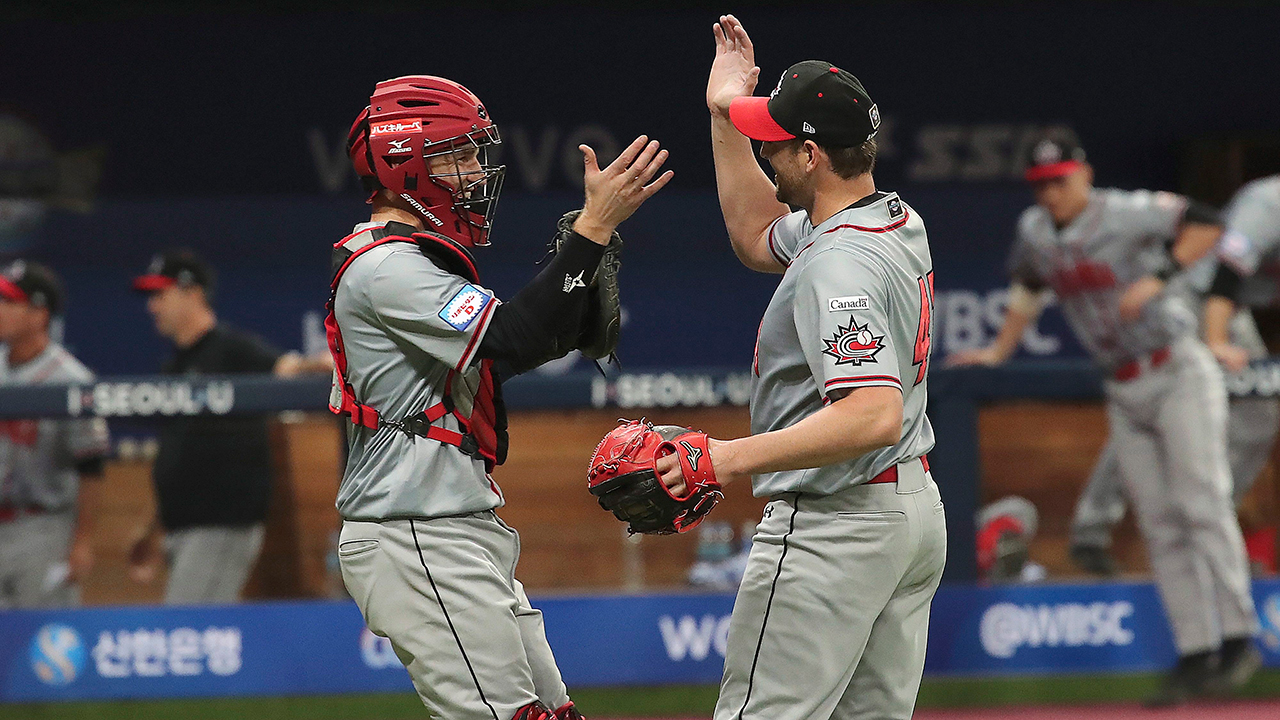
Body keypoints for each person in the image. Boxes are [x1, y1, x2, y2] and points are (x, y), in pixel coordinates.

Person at [330, 75, 670, 720]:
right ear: (403, 161)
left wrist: (583, 268)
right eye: (453, 156)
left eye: (472, 154)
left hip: (450, 525)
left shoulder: (411, 260)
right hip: (414, 531)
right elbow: (514, 334)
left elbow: (516, 348)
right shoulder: (386, 266)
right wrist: (592, 229)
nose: (473, 171)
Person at [666, 17, 946, 720]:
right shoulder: (890, 217)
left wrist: (724, 457)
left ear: (813, 155)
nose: (767, 149)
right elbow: (755, 235)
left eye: (776, 143)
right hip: (908, 515)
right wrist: (724, 114)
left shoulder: (838, 261)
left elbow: (871, 414)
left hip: (837, 523)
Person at [948, 138, 1260, 704]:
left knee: (1201, 502)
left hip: (1177, 369)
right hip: (1121, 384)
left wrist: (1162, 272)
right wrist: (998, 351)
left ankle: (1239, 639)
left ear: (1084, 175)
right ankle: (1194, 652)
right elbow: (1028, 286)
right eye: (1041, 181)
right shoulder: (1036, 231)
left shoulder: (1124, 211)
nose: (1051, 191)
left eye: (1060, 179)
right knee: (1159, 521)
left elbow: (1209, 222)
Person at [127, 250, 328, 604]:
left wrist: (329, 364)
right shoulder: (173, 365)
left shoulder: (233, 350)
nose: (152, 306)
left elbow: (290, 370)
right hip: (181, 526)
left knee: (186, 627)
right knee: (195, 633)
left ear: (193, 294)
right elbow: (176, 453)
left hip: (222, 523)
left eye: (161, 294)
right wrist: (151, 527)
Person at [0, 260, 110, 608]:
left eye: (10, 302)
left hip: (43, 527)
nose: (0, 309)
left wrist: (83, 540)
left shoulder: (70, 379)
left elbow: (92, 466)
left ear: (39, 314)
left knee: (43, 639)